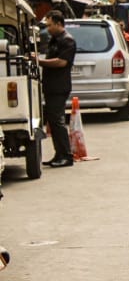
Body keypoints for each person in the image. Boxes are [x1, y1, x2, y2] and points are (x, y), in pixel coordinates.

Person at [32, 10, 77, 168]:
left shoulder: (67, 41)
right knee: (52, 121)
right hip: (50, 85)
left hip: (59, 86)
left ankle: (66, 155)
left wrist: (39, 62)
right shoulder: (55, 40)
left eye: (50, 25)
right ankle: (59, 154)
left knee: (57, 122)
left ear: (59, 24)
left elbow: (61, 62)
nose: (48, 28)